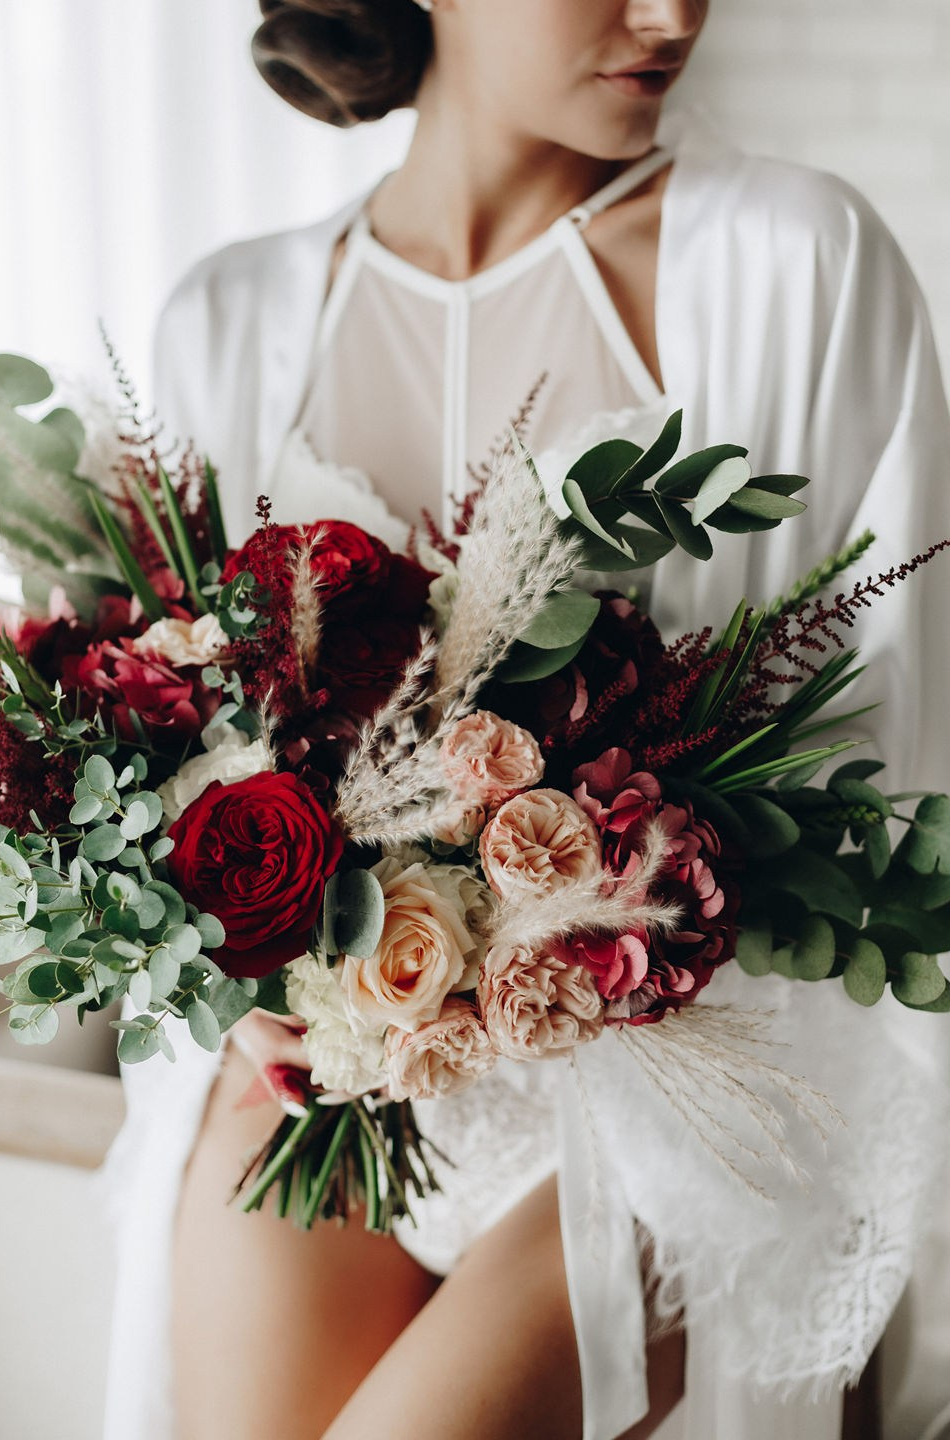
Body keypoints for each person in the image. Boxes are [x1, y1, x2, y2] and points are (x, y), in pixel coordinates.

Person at [102, 2, 950, 1438]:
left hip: (680, 1082)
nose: (673, 15)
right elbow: (171, 738)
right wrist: (253, 974)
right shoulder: (227, 325)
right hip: (336, 1079)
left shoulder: (794, 261)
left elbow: (888, 776)